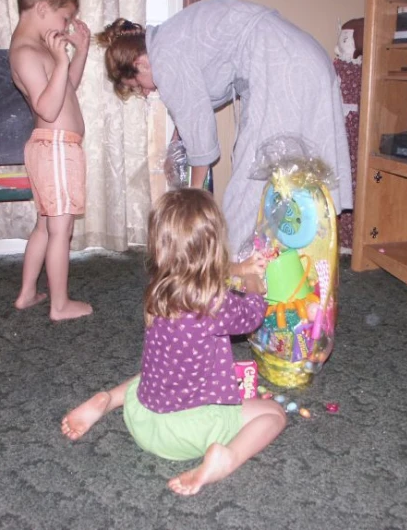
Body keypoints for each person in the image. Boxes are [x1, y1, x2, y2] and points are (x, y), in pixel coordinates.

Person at [61, 188, 287, 496]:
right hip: (183, 434)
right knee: (273, 415)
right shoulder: (216, 304)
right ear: (215, 246)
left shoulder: (159, 290)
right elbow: (251, 317)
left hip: (141, 417)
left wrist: (237, 268)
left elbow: (196, 273)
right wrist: (253, 283)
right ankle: (227, 458)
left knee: (157, 371)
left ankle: (106, 399)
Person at [95, 0, 353, 264]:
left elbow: (198, 129)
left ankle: (232, 268)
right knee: (301, 170)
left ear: (140, 64)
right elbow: (191, 108)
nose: (146, 91)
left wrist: (193, 198)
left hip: (280, 64)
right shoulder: (169, 39)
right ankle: (298, 259)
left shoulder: (163, 57)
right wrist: (177, 142)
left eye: (138, 84)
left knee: (254, 172)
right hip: (304, 58)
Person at [9, 0, 93, 321]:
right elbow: (47, 110)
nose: (66, 26)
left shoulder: (39, 50)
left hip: (57, 148)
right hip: (55, 148)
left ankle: (28, 293)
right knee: (62, 229)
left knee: (46, 225)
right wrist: (59, 61)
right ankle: (60, 305)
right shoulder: (26, 53)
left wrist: (79, 52)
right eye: (64, 18)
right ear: (42, 8)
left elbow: (66, 90)